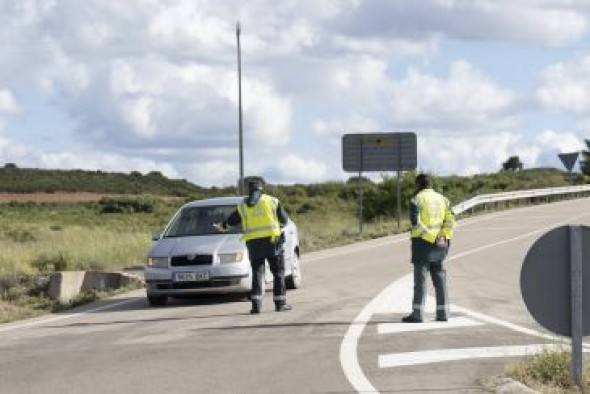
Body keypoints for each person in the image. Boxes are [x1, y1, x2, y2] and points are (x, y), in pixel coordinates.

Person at [214, 180, 292, 314]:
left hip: (254, 245)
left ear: (249, 190)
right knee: (278, 273)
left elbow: (231, 221)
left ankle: (256, 306)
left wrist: (221, 226)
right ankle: (280, 303)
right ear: (261, 189)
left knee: (257, 273)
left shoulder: (243, 205)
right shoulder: (272, 201)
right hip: (273, 243)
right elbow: (284, 220)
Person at [402, 173, 455, 323]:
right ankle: (443, 313)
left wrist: (431, 237)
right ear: (430, 184)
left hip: (422, 245)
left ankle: (417, 314)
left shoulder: (416, 199)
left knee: (421, 280)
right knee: (440, 279)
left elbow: (416, 223)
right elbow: (451, 220)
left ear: (418, 185)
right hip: (441, 244)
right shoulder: (443, 199)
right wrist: (443, 237)